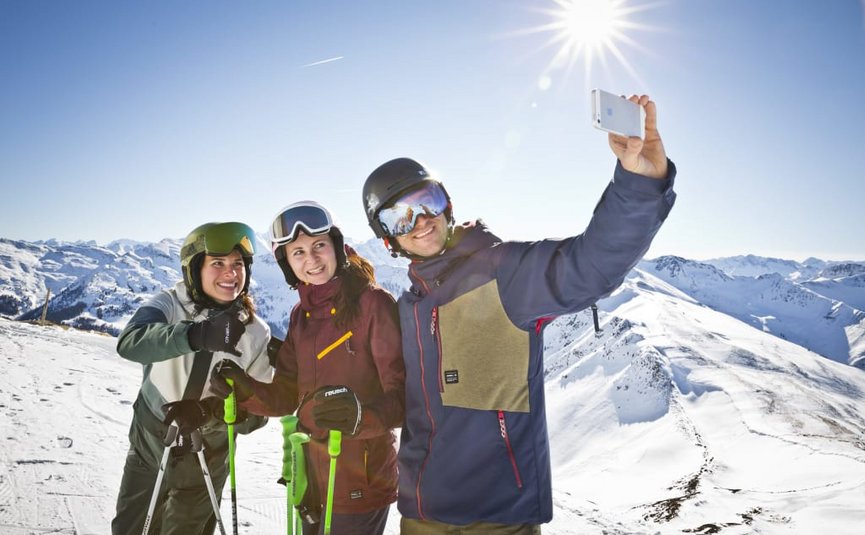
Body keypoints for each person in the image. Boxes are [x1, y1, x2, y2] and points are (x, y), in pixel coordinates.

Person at [360, 95, 677, 533]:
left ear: (447, 204)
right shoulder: (410, 306)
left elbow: (591, 265)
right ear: (387, 239)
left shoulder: (503, 273)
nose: (420, 221)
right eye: (399, 217)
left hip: (498, 518)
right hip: (422, 515)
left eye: (427, 200)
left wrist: (639, 181)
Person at [210, 201, 405, 535]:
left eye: (319, 246)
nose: (311, 260)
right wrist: (246, 391)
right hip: (310, 474)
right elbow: (287, 394)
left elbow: (403, 398)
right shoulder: (302, 315)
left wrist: (360, 417)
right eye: (298, 252)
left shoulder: (373, 304)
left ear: (336, 247)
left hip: (361, 480)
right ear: (287, 263)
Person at [111, 222, 273, 535]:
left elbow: (258, 415)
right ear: (194, 269)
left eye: (238, 264)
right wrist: (195, 335)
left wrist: (213, 411)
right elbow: (130, 342)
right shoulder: (170, 303)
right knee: (130, 528)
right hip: (150, 445)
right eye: (218, 263)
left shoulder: (255, 332)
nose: (231, 273)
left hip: (207, 459)